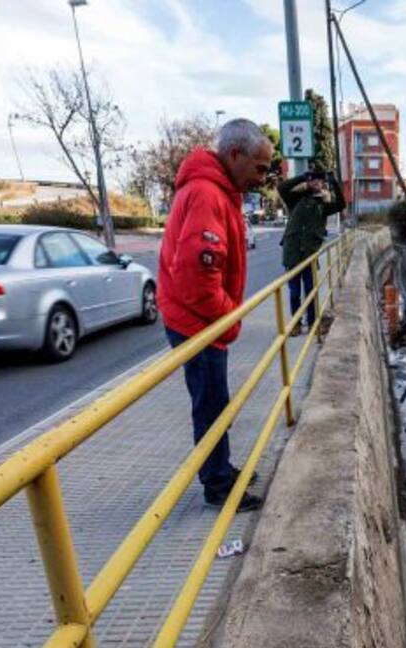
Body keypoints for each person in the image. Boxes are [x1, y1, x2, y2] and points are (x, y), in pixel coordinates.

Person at [157, 118, 274, 512]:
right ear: (235, 155)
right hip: (197, 322)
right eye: (258, 167)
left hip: (200, 319)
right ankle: (218, 486)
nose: (262, 177)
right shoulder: (207, 194)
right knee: (210, 404)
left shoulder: (216, 191)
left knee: (216, 401)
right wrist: (231, 317)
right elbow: (197, 277)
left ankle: (220, 467)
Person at [278, 168, 346, 335]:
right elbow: (282, 188)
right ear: (308, 182)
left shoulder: (323, 204)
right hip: (293, 253)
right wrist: (301, 177)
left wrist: (334, 182)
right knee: (294, 292)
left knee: (310, 291)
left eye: (320, 181)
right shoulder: (295, 199)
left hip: (309, 254)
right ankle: (296, 324)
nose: (317, 183)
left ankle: (313, 323)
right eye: (314, 180)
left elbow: (341, 204)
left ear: (323, 184)